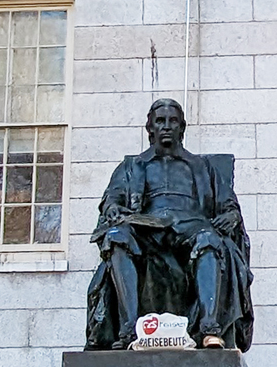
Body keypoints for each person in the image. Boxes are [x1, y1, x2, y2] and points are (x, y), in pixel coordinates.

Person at [85, 99, 254, 351]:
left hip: (191, 227)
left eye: (173, 121)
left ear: (182, 128)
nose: (166, 126)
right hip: (146, 229)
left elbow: (228, 205)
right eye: (160, 121)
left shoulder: (203, 167)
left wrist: (231, 215)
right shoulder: (131, 167)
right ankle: (129, 328)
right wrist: (112, 209)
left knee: (209, 239)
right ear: (150, 128)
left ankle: (210, 329)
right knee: (117, 236)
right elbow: (112, 199)